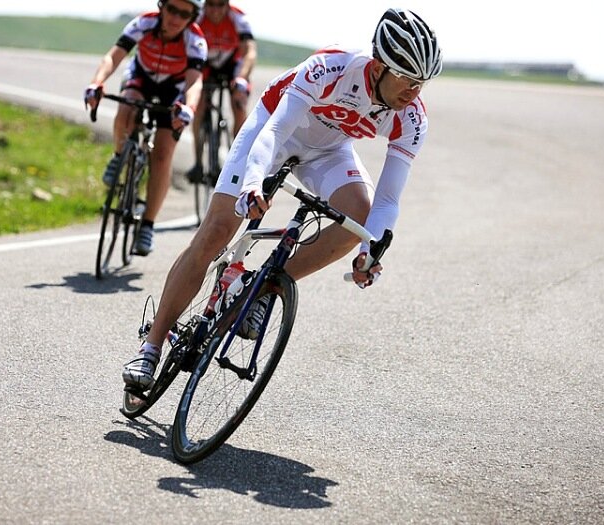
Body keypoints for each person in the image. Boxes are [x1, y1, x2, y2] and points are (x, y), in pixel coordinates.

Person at [122, 8, 443, 389]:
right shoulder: (332, 67)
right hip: (275, 131)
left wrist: (371, 251)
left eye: (422, 83)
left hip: (329, 150)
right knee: (219, 229)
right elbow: (274, 131)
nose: (413, 92)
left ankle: (267, 285)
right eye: (407, 79)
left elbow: (388, 200)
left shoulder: (412, 118)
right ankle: (152, 345)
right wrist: (254, 183)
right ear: (377, 67)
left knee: (360, 217)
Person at [84, 0, 208, 256]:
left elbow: (195, 81)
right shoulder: (145, 22)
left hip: (172, 89)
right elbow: (115, 55)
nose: (176, 17)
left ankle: (148, 225)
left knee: (162, 155)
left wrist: (189, 109)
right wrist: (97, 83)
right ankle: (119, 156)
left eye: (184, 14)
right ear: (162, 7)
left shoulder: (194, 39)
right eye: (172, 9)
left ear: (192, 17)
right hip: (141, 76)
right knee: (126, 110)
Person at [185, 0, 257, 182]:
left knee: (239, 104)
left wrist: (241, 78)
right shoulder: (198, 16)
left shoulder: (238, 17)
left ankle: (239, 161)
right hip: (206, 63)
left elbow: (250, 51)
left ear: (227, 5)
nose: (215, 10)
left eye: (220, 5)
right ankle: (198, 163)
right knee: (198, 106)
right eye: (210, 4)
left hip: (231, 64)